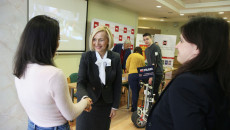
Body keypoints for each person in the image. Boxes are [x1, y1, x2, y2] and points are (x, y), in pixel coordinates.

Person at [146, 16, 230, 130]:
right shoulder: (217, 76)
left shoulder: (188, 83)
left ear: (197, 47)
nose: (177, 46)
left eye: (181, 41)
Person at [13, 15, 92, 130]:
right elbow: (70, 114)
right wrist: (85, 102)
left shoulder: (19, 69)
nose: (58, 44)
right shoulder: (54, 74)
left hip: (32, 125)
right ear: (48, 42)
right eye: (58, 39)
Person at [76, 25, 122, 130]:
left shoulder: (115, 57)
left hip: (106, 105)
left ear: (108, 41)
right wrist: (85, 98)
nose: (96, 43)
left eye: (101, 40)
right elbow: (81, 82)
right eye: (94, 39)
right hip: (88, 103)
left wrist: (115, 106)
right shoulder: (86, 57)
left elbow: (117, 84)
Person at [143, 33, 163, 101]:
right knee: (148, 91)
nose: (146, 41)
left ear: (151, 39)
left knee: (154, 91)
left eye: (147, 39)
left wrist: (151, 76)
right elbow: (149, 64)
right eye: (144, 40)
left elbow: (155, 63)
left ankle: (158, 107)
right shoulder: (146, 50)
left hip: (157, 72)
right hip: (151, 72)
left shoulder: (155, 47)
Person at [126, 47, 145, 112]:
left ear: (135, 51)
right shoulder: (142, 57)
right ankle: (135, 106)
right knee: (136, 91)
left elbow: (127, 65)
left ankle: (134, 108)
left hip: (132, 75)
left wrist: (129, 71)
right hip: (140, 75)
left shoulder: (131, 55)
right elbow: (143, 67)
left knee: (134, 91)